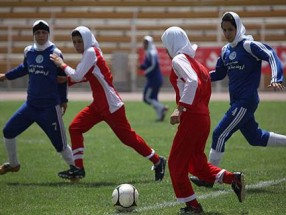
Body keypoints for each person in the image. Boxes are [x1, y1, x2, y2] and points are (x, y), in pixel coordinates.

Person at [190, 11, 286, 188]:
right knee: (255, 138)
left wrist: (276, 77)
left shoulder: (248, 45)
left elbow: (270, 54)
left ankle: (209, 177)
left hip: (246, 101)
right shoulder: (225, 50)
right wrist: (199, 77)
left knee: (219, 133)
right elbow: (219, 74)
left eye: (230, 29)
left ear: (238, 27)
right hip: (237, 103)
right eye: (224, 30)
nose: (227, 33)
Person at [50, 26, 166, 182]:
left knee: (128, 138)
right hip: (99, 105)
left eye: (80, 41)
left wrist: (61, 64)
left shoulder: (91, 52)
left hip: (111, 106)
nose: (77, 45)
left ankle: (158, 161)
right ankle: (78, 169)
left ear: (87, 40)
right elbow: (89, 75)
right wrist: (67, 79)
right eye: (75, 42)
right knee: (75, 128)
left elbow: (78, 75)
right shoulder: (90, 53)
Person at [161, 26, 245, 214]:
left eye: (166, 45)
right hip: (203, 118)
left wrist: (180, 108)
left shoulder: (178, 60)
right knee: (195, 164)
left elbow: (192, 82)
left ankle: (193, 207)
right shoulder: (196, 64)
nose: (166, 50)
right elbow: (201, 86)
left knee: (175, 163)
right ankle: (234, 179)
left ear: (172, 43)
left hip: (192, 118)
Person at [0, 20, 74, 176]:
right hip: (30, 106)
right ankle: (13, 164)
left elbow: (61, 78)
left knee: (60, 145)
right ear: (34, 34)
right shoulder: (29, 51)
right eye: (38, 32)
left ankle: (75, 169)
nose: (41, 35)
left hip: (49, 108)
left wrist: (64, 100)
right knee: (8, 131)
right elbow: (24, 68)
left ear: (48, 33)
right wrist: (6, 76)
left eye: (44, 32)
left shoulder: (55, 53)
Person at [139, 36, 168, 121]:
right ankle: (160, 116)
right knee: (153, 99)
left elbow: (153, 65)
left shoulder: (151, 52)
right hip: (154, 79)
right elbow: (147, 65)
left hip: (154, 79)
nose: (144, 44)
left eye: (146, 43)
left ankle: (162, 107)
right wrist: (142, 67)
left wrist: (146, 71)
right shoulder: (150, 52)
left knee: (147, 98)